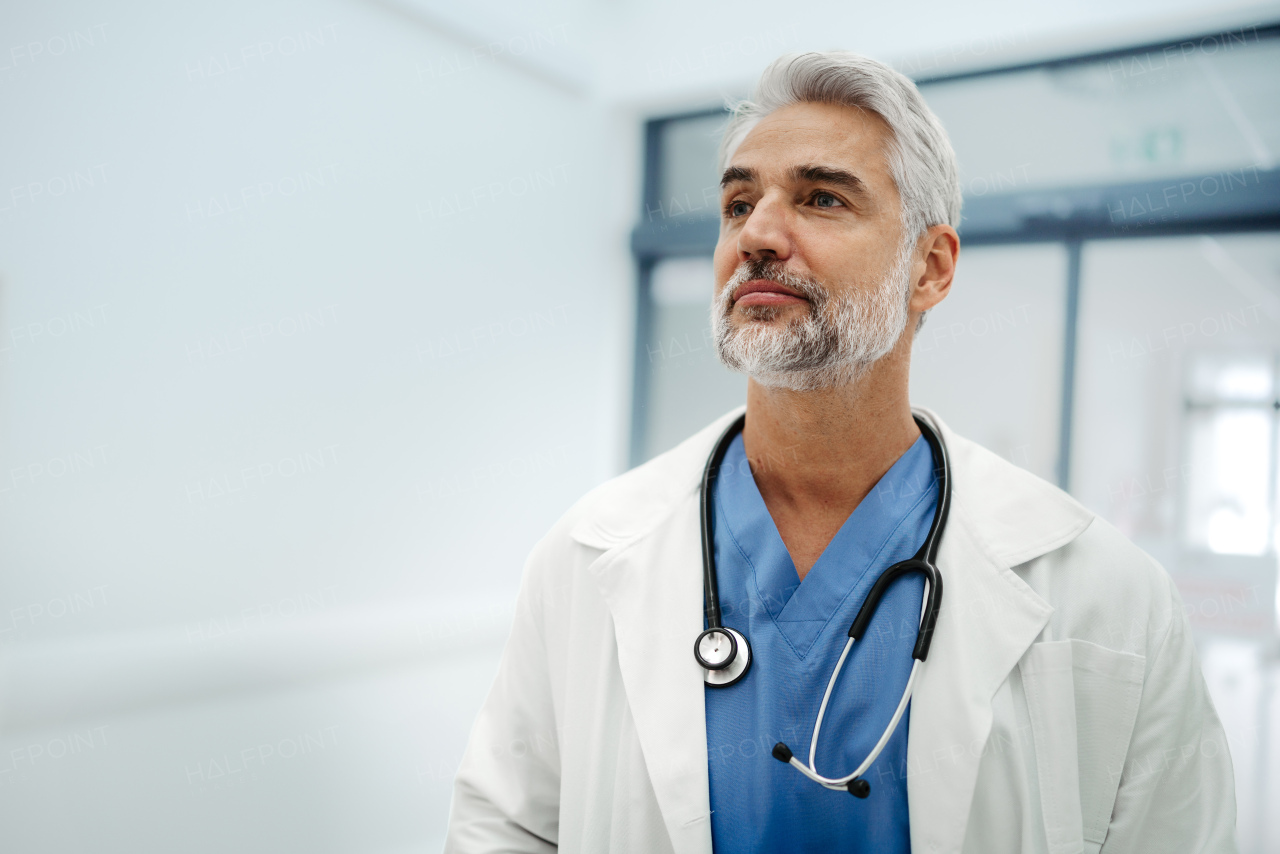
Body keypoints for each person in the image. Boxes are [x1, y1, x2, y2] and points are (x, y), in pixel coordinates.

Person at [444, 51, 1237, 853]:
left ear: (929, 269)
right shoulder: (585, 557)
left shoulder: (1108, 595)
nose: (756, 233)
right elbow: (503, 827)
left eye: (821, 198)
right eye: (738, 203)